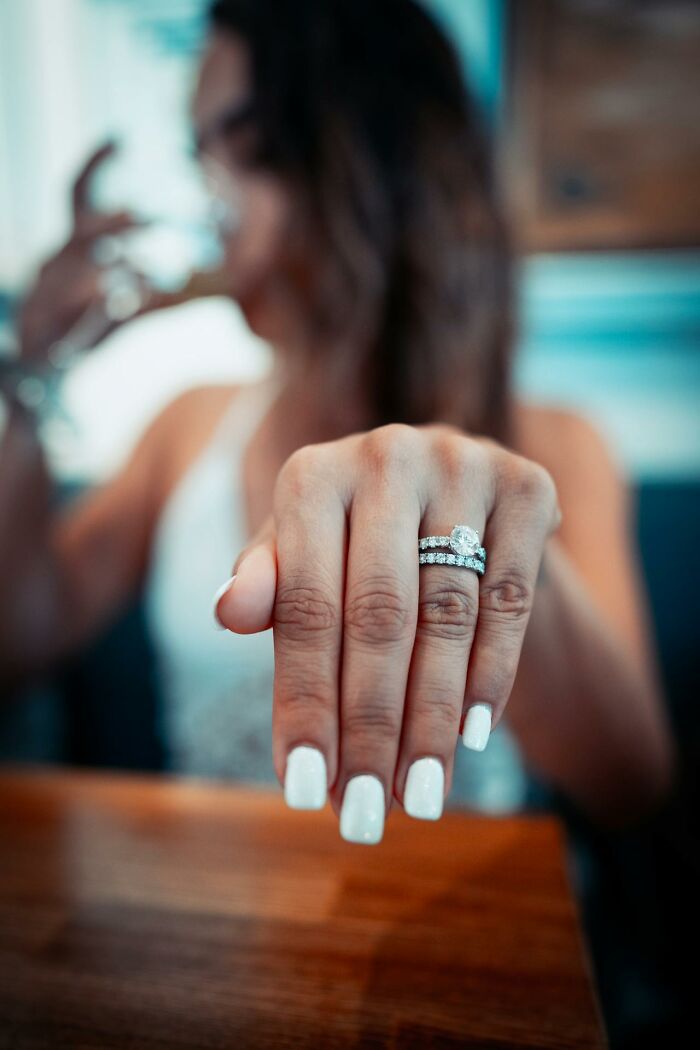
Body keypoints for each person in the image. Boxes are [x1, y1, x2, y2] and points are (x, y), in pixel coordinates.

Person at [0, 0, 673, 844]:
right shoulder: (188, 426)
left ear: (357, 157)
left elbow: (634, 784)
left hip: (457, 927)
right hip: (200, 928)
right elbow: (18, 638)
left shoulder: (553, 447)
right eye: (196, 151)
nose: (207, 193)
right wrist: (30, 374)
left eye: (240, 147)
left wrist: (495, 553)